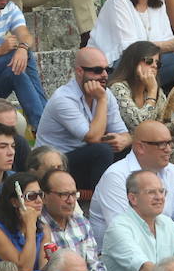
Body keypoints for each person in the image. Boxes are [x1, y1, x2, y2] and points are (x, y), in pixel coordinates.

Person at [33, 47, 130, 190]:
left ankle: (123, 193)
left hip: (85, 158)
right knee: (101, 150)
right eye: (97, 70)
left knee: (131, 148)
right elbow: (93, 138)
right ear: (79, 71)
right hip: (55, 165)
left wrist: (126, 140)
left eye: (107, 70)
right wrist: (101, 100)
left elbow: (123, 133)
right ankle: (99, 199)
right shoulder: (63, 98)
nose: (104, 75)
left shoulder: (105, 93)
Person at [89, 119, 174, 243]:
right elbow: (122, 233)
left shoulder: (173, 172)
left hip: (164, 248)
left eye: (169, 142)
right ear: (141, 147)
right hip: (119, 255)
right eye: (161, 144)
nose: (168, 149)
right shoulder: (116, 176)